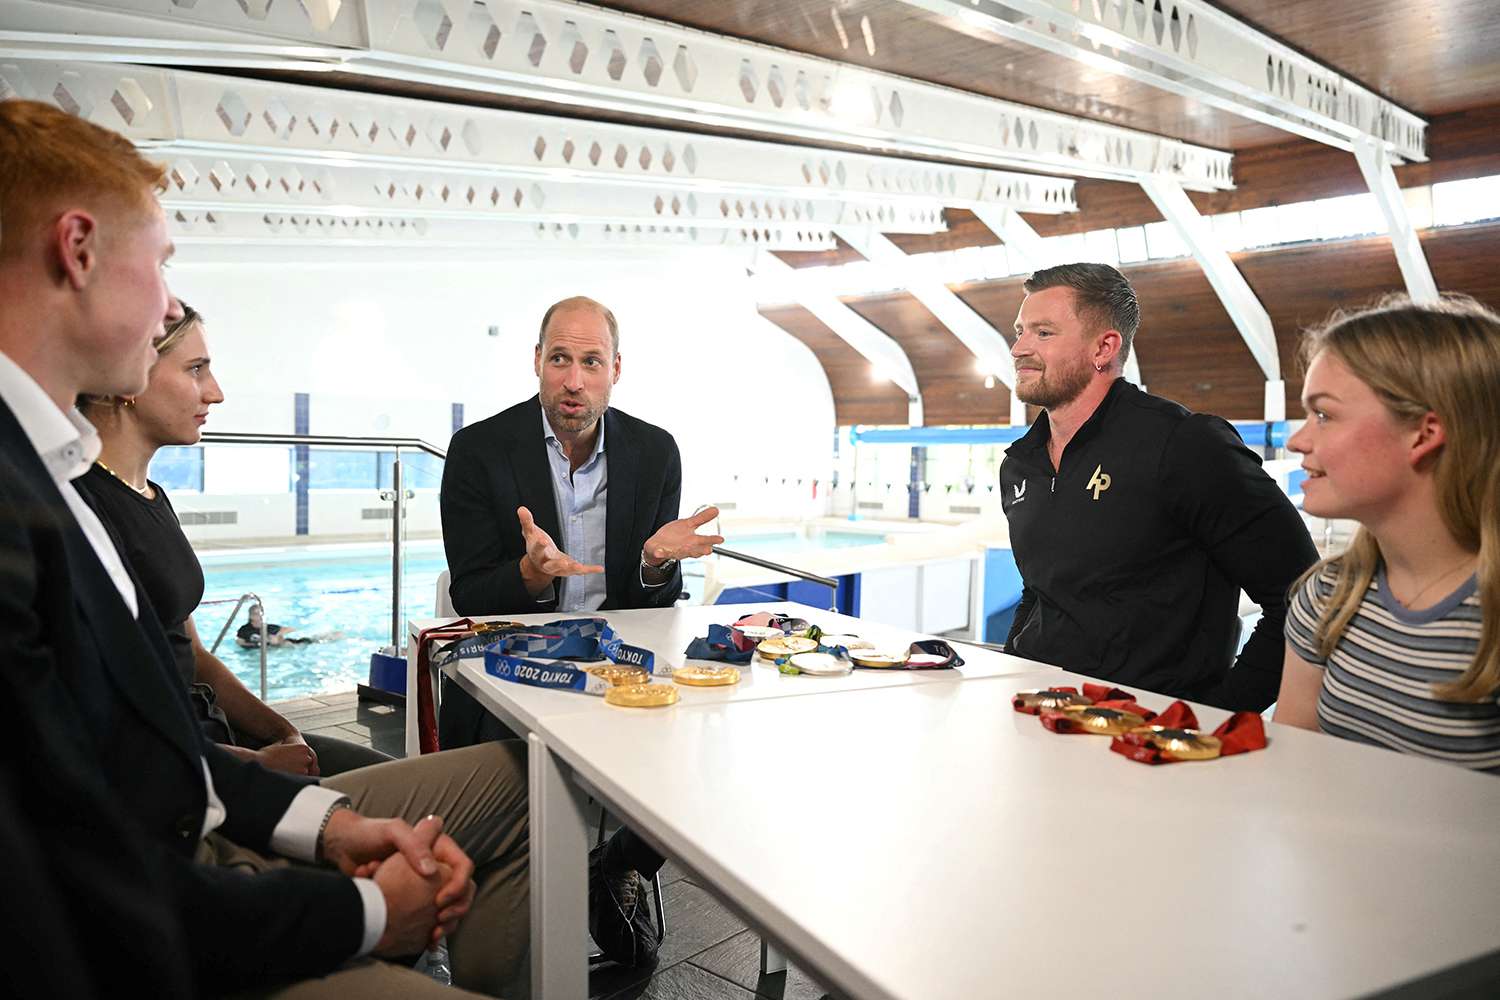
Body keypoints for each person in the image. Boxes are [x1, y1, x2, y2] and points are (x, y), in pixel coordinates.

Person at [0, 98, 534, 998]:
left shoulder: (46, 478)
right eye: (161, 264)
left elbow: (152, 751)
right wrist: (367, 914)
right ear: (78, 248)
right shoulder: (22, 509)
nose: (168, 300)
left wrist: (327, 825)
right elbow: (84, 875)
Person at [439, 294, 723, 966]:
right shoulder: (479, 450)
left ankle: (615, 861)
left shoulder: (655, 453)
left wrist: (654, 564)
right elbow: (472, 592)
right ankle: (522, 874)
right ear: (537, 363)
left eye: (590, 361)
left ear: (615, 370)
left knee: (708, 742)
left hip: (617, 658)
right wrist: (533, 577)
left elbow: (648, 602)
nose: (574, 378)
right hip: (518, 657)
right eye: (560, 358)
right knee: (508, 921)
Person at [76, 302, 390, 777]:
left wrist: (284, 732)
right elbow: (109, 725)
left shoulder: (150, 496)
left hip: (215, 737)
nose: (216, 393)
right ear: (130, 377)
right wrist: (256, 765)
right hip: (187, 771)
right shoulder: (85, 511)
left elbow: (195, 659)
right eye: (196, 370)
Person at [999, 262, 1317, 711]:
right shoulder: (1021, 464)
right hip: (1038, 717)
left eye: (1043, 333)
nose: (1018, 348)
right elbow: (1040, 590)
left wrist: (1217, 713)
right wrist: (1014, 664)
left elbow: (1302, 597)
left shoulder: (1185, 446)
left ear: (1104, 347)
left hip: (1145, 740)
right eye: (1020, 331)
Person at [1275, 295, 1500, 772]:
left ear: (1423, 433)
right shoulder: (1329, 596)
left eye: (1324, 414)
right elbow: (1294, 774)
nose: (1298, 440)